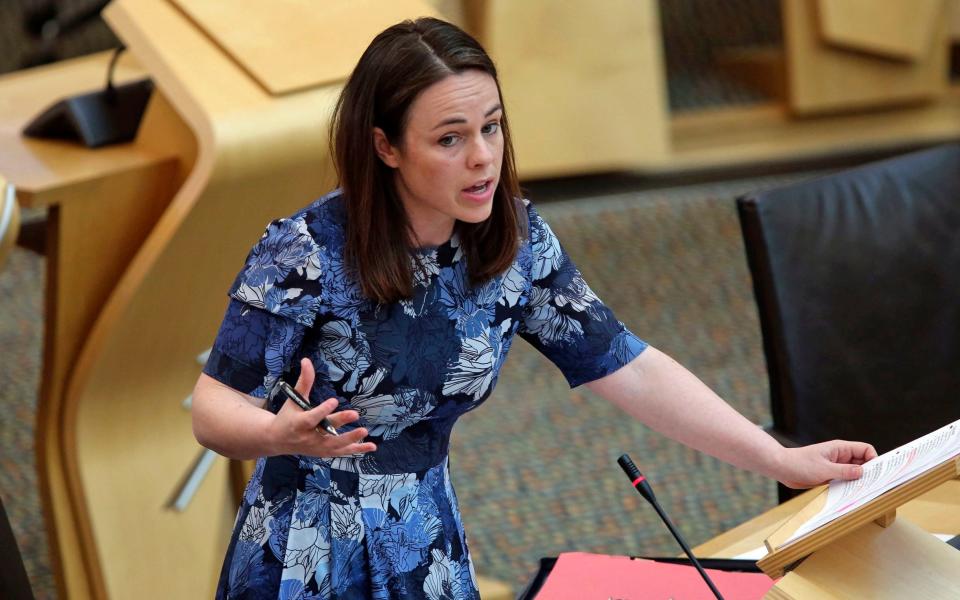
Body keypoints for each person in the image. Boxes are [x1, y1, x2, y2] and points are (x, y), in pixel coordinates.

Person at [191, 17, 877, 600]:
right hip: (307, 544)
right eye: (450, 139)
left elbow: (628, 367)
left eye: (491, 127)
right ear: (386, 147)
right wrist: (279, 436)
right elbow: (212, 410)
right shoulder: (305, 253)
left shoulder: (513, 241)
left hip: (424, 532)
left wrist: (780, 462)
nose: (483, 158)